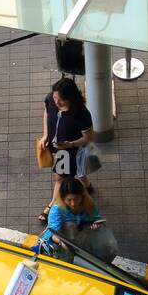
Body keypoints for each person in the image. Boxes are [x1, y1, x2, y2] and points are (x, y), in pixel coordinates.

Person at [37, 77, 94, 224]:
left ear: (71, 98)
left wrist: (70, 144)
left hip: (69, 151)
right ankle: (87, 185)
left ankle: (52, 206)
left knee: (60, 178)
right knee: (79, 171)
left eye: (61, 100)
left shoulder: (81, 114)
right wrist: (45, 135)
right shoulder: (51, 99)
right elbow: (46, 112)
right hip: (56, 146)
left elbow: (87, 138)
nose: (56, 102)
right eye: (55, 97)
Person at [38, 177, 105, 259]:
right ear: (63, 198)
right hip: (64, 237)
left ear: (82, 197)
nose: (73, 204)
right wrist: (62, 244)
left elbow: (97, 219)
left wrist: (96, 225)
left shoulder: (89, 204)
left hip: (83, 233)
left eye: (76, 199)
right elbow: (52, 233)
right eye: (69, 200)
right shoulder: (57, 209)